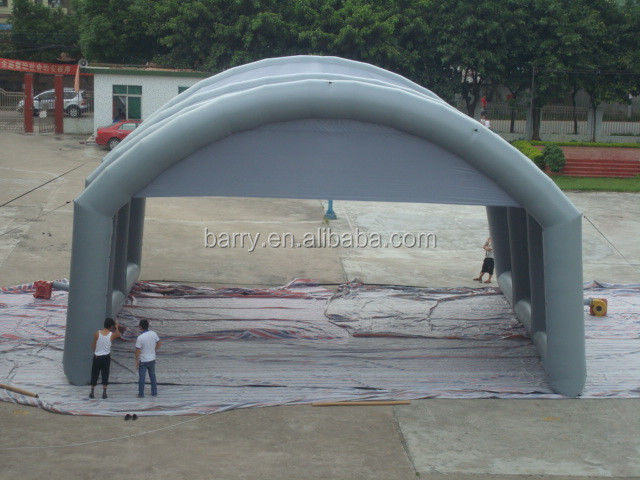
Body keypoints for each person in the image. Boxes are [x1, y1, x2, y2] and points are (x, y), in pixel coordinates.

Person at [89, 317, 121, 399]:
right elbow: (118, 334)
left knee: (94, 374)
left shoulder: (97, 333)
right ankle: (104, 393)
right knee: (105, 374)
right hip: (106, 357)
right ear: (111, 326)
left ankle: (92, 392)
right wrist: (117, 326)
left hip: (97, 357)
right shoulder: (111, 335)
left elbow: (93, 345)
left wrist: (96, 351)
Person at [135, 319, 161, 398]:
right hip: (152, 359)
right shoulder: (153, 333)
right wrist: (154, 350)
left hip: (143, 360)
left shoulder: (140, 338)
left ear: (140, 327)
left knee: (142, 378)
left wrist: (137, 361)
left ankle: (141, 394)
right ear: (148, 325)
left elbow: (137, 351)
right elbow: (159, 343)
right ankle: (154, 392)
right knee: (152, 376)